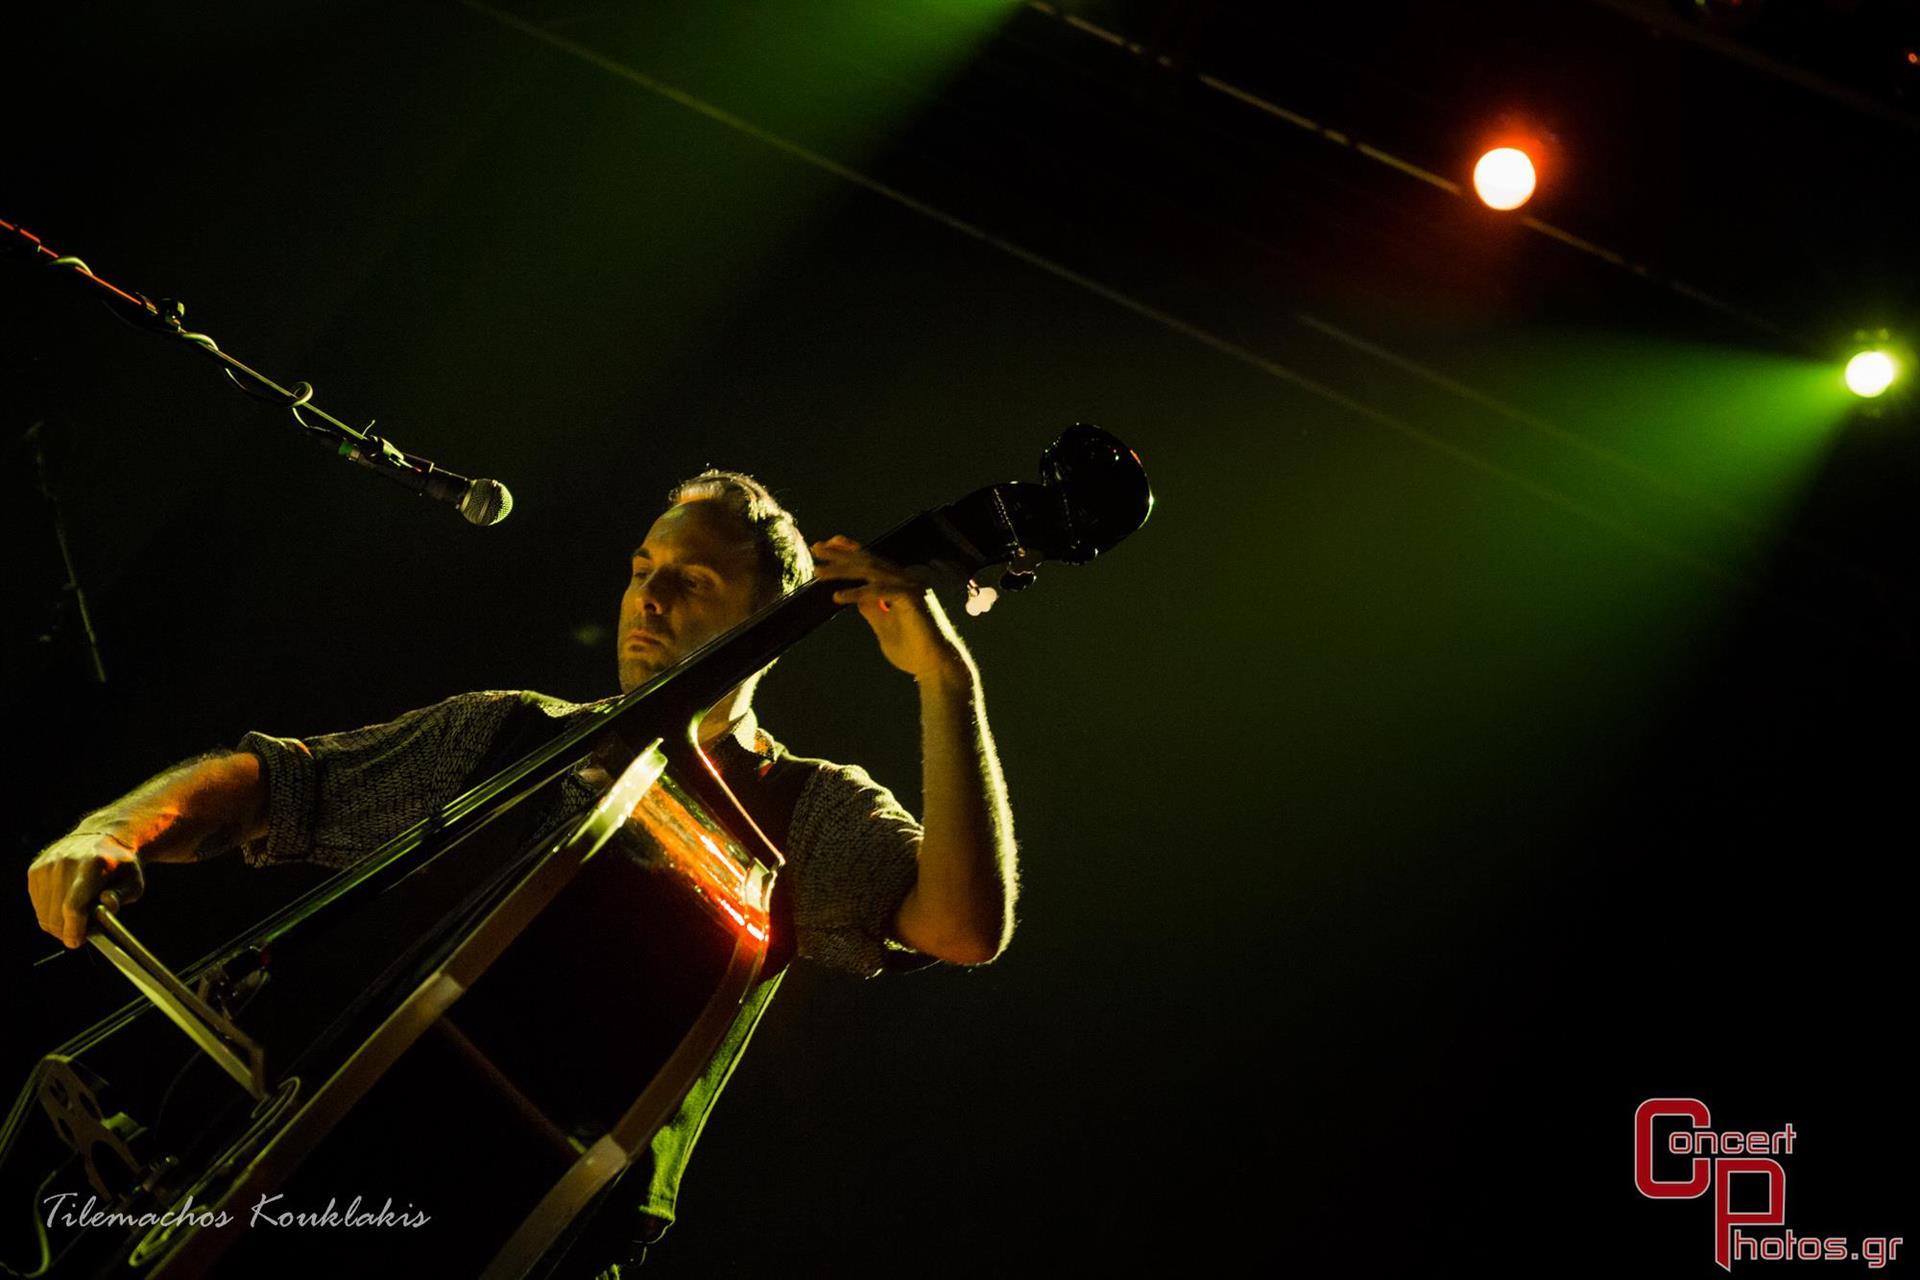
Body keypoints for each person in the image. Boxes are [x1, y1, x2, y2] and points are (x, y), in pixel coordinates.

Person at [24, 470, 1019, 1272]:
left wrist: (946, 680)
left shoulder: (807, 812)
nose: (650, 594)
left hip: (535, 1232)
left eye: (695, 579)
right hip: (322, 1169)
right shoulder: (513, 731)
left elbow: (962, 925)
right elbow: (283, 784)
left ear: (772, 623)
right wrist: (113, 830)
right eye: (642, 567)